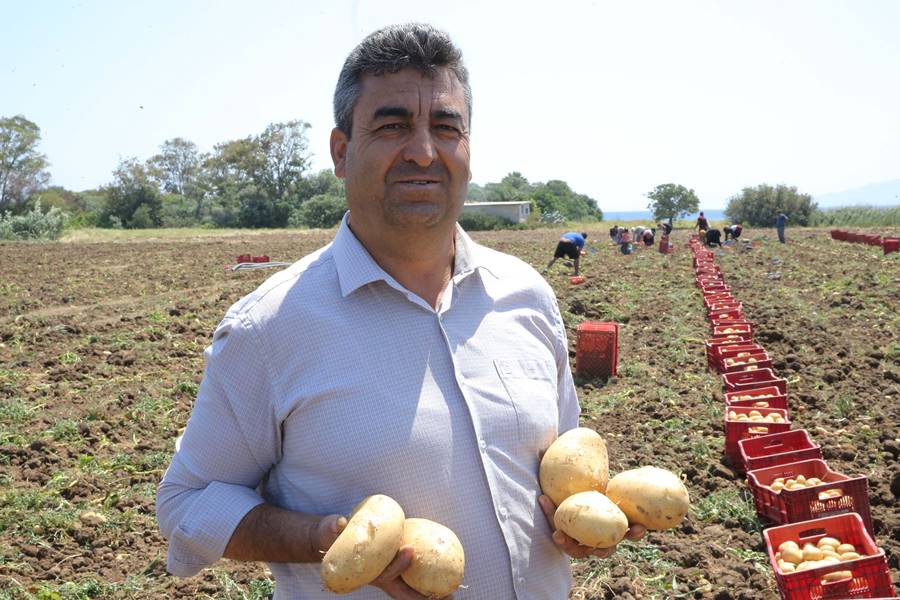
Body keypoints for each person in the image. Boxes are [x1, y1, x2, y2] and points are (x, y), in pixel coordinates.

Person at [156, 23, 643, 600]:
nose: (423, 150)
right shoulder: (270, 328)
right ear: (342, 153)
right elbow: (188, 502)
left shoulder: (527, 296)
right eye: (392, 126)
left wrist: (582, 518)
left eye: (445, 127)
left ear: (468, 149)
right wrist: (329, 537)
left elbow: (561, 464)